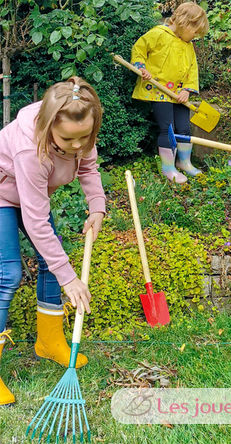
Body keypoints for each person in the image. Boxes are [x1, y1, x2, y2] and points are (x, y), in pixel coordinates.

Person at [0, 77, 106, 406]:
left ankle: (48, 341)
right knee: (8, 274)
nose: (77, 145)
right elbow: (35, 219)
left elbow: (88, 168)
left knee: (50, 261)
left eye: (84, 137)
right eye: (68, 139)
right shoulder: (29, 149)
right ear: (48, 127)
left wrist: (97, 207)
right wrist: (69, 278)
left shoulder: (81, 127)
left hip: (30, 198)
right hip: (2, 196)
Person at [131, 1, 209, 183]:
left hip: (179, 95)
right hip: (159, 91)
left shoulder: (188, 46)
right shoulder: (158, 34)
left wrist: (187, 90)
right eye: (195, 31)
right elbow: (139, 49)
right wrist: (141, 67)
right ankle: (168, 167)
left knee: (184, 128)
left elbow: (192, 69)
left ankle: (184, 162)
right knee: (168, 129)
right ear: (184, 22)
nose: (195, 36)